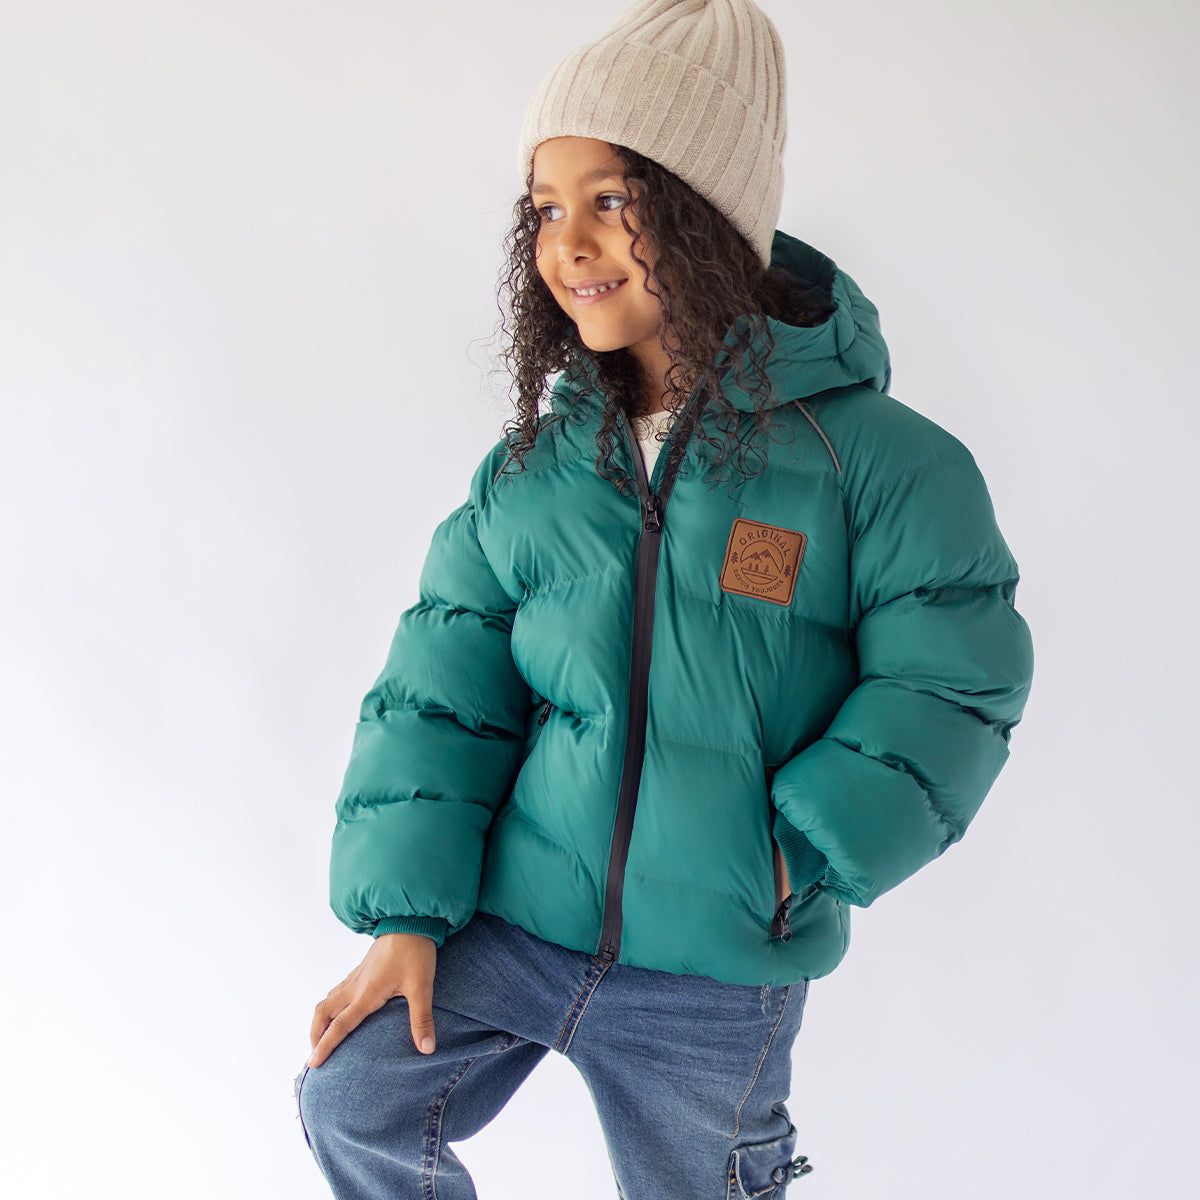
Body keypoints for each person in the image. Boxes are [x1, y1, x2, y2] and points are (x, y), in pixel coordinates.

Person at [294, 1, 1035, 1196]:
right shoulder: (536, 471)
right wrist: (408, 917)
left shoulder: (880, 463)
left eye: (612, 199)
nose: (570, 243)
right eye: (546, 209)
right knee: (353, 1102)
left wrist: (795, 854)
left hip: (715, 974)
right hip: (518, 924)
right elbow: (440, 696)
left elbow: (953, 683)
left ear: (703, 211)